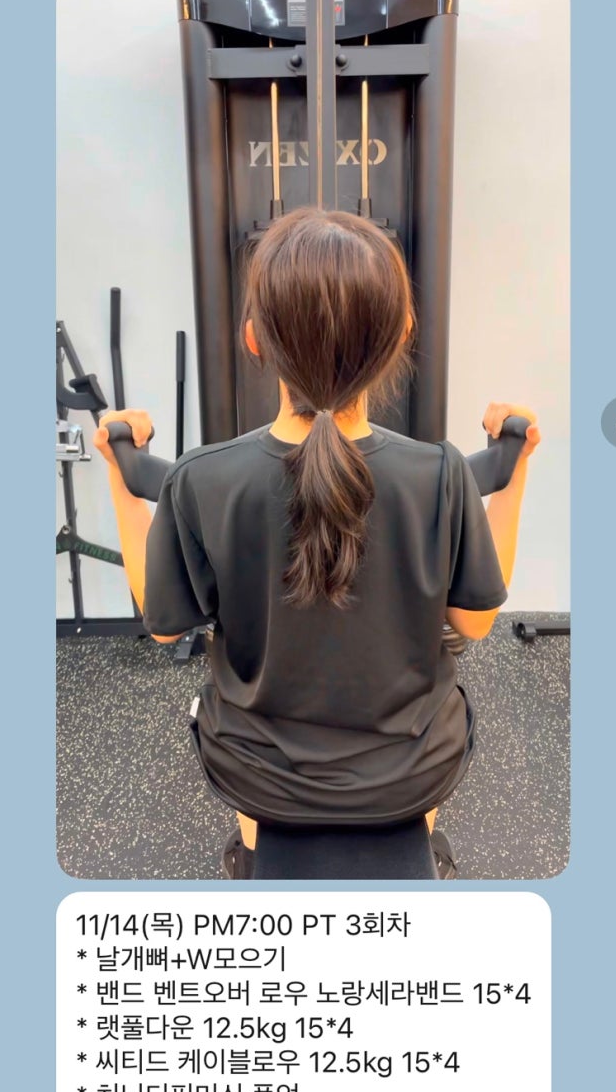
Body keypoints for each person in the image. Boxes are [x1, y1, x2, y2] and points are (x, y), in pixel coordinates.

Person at [94, 207, 540, 876]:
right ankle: (418, 840)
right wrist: (515, 465)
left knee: (247, 762)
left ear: (253, 338)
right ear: (402, 333)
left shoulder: (200, 479)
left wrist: (119, 475)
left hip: (259, 775)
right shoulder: (442, 474)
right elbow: (474, 622)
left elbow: (165, 625)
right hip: (411, 773)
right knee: (430, 736)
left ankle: (253, 849)